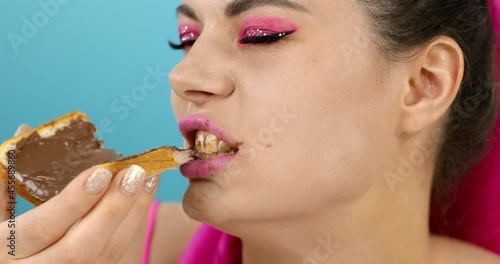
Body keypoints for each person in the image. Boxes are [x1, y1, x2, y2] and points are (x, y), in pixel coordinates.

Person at [2, 0, 500, 263]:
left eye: (262, 36)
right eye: (187, 38)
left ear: (423, 85)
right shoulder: (109, 255)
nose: (184, 77)